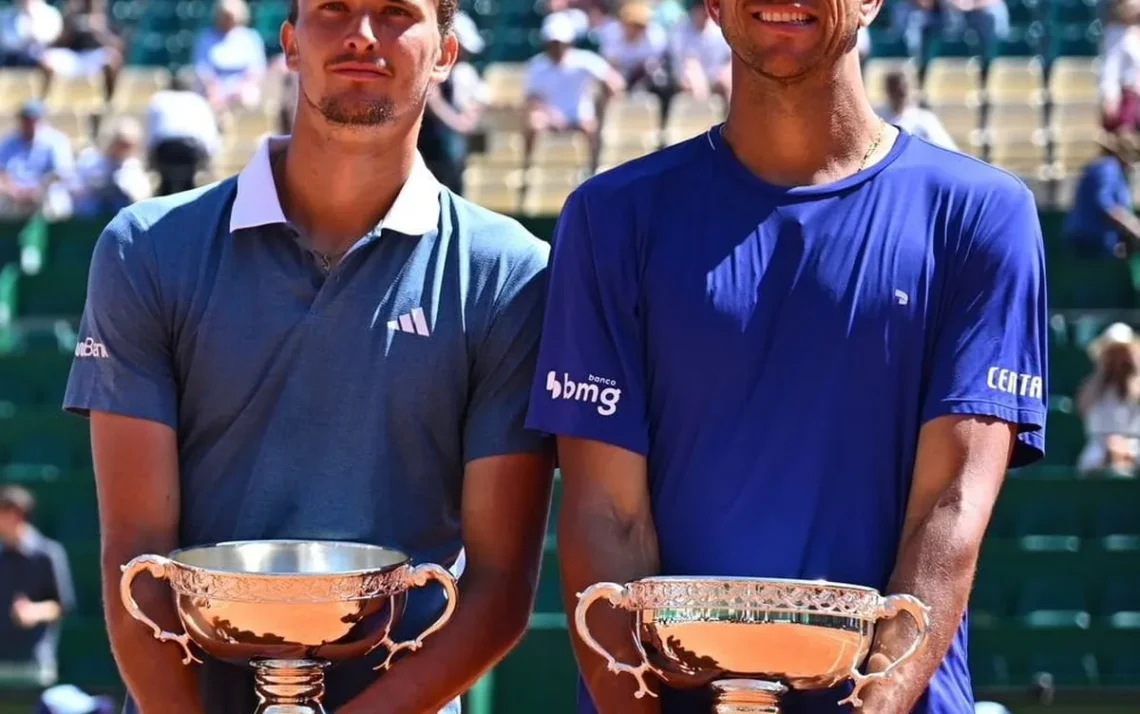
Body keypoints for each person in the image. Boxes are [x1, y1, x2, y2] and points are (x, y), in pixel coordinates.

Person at [525, 0, 1048, 711]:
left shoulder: (983, 216)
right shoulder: (608, 218)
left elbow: (950, 509)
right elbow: (606, 518)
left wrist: (878, 701)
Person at [62, 1, 555, 714]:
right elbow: (135, 557)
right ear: (289, 44)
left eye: (393, 12)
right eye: (334, 9)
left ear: (446, 53)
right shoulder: (144, 248)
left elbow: (501, 586)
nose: (361, 34)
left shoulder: (511, 275)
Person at [0, 485, 75, 688]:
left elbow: (63, 605)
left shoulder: (48, 554)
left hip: (34, 663)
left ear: (16, 515)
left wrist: (35, 611)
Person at [1076, 322, 1140, 475]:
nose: (1118, 357)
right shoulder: (1092, 386)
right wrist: (1102, 371)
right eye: (1113, 352)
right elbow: (1082, 408)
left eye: (1122, 351)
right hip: (1099, 445)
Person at [1063, 132, 1140, 258]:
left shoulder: (1110, 169)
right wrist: (1132, 225)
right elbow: (1104, 204)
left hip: (1094, 240)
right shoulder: (1108, 167)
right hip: (1092, 242)